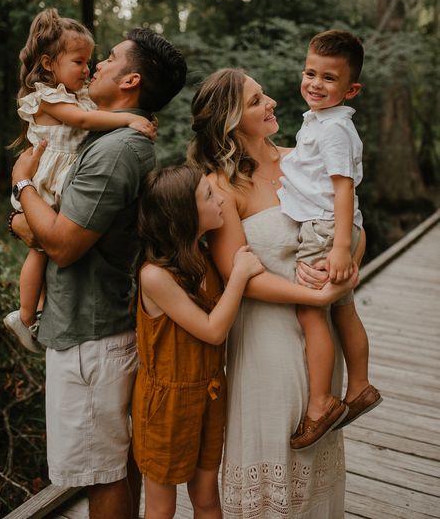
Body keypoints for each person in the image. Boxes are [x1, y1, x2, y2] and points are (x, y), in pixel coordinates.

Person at [10, 25, 187, 519]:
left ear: (130, 80)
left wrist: (21, 185)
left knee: (100, 474)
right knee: (111, 463)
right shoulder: (107, 135)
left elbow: (63, 245)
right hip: (90, 328)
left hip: (89, 339)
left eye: (108, 58)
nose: (97, 66)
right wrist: (26, 223)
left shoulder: (114, 151)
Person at [187, 68, 363, 518]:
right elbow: (237, 275)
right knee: (275, 462)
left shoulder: (301, 160)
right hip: (267, 345)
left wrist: (347, 261)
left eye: (264, 95)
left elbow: (350, 224)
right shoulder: (220, 186)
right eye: (256, 100)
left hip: (320, 341)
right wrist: (317, 299)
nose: (272, 104)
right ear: (229, 120)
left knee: (314, 470)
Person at [4, 8, 156, 353]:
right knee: (39, 252)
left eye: (92, 61)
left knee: (44, 249)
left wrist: (135, 120)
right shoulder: (49, 97)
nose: (89, 69)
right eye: (79, 62)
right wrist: (127, 122)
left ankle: (36, 312)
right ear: (47, 63)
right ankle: (26, 315)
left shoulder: (82, 103)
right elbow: (84, 122)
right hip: (47, 178)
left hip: (53, 181)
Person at [132, 164, 264, 518]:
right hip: (166, 408)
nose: (220, 198)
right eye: (209, 195)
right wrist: (238, 275)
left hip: (209, 395)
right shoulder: (154, 277)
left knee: (206, 498)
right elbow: (212, 329)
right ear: (184, 215)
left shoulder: (204, 258)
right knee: (162, 508)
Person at [278, 29, 382, 451]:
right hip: (332, 225)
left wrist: (340, 246)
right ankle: (359, 387)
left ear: (351, 88)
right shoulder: (321, 121)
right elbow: (307, 164)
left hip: (325, 227)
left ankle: (321, 402)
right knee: (343, 309)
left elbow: (343, 188)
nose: (315, 84)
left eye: (328, 78)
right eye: (310, 73)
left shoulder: (335, 130)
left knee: (310, 310)